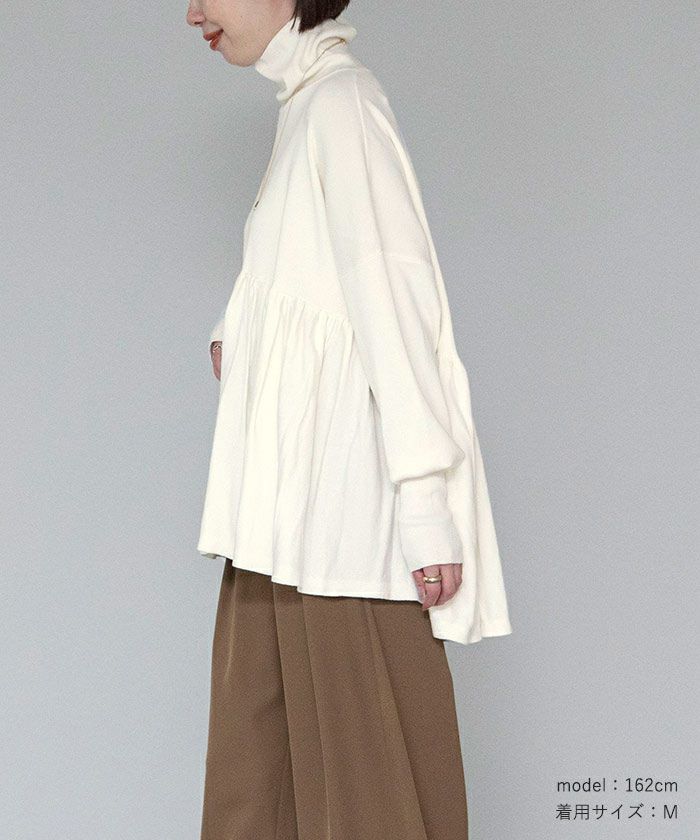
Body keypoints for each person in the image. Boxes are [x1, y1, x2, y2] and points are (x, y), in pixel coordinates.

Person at [186, 1, 513, 837]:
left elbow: (395, 300)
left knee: (375, 806)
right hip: (276, 532)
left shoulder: (342, 104)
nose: (192, 12)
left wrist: (424, 501)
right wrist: (238, 331)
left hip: (337, 535)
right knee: (254, 798)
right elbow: (314, 283)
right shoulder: (306, 109)